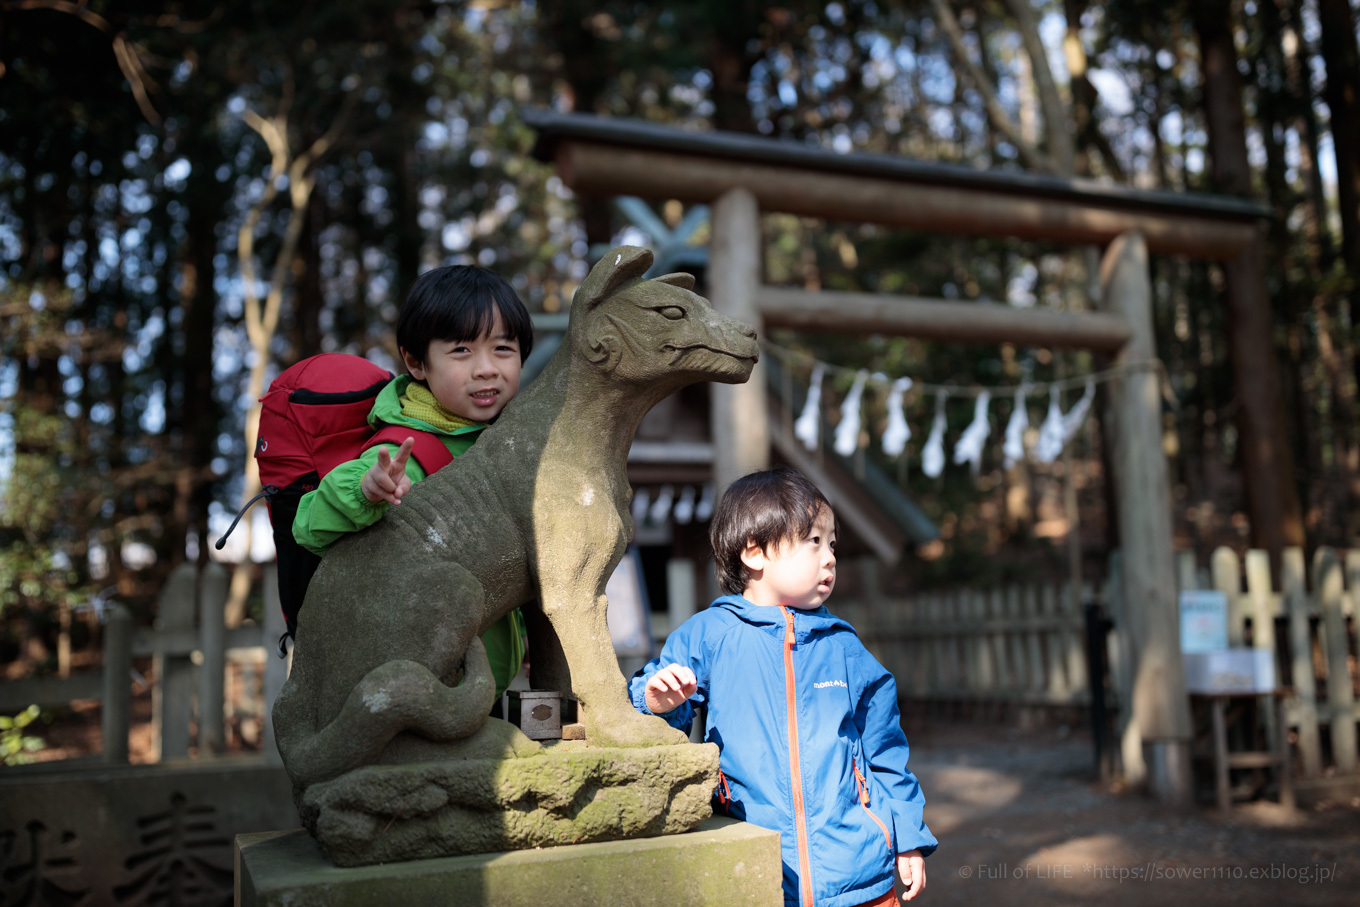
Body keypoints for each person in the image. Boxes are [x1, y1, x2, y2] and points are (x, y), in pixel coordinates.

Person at [630, 467, 936, 907]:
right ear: (753, 553)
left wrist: (906, 835)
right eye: (814, 541)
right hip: (756, 868)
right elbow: (660, 718)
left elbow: (884, 750)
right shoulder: (709, 634)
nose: (830, 557)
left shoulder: (844, 646)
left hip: (859, 874)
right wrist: (656, 701)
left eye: (832, 544)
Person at [292, 264, 533, 702]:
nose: (486, 369)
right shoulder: (408, 447)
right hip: (419, 690)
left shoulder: (509, 441)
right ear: (416, 362)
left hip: (479, 688)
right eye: (461, 350)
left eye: (502, 348)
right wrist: (367, 488)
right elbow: (307, 525)